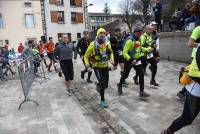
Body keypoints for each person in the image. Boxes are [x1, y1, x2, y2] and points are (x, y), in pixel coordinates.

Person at [161, 26, 200, 134]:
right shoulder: (198, 29)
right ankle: (167, 131)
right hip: (196, 85)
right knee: (187, 118)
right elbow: (190, 44)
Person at [84, 28, 114, 108]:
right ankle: (102, 100)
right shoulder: (92, 44)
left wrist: (112, 60)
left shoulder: (107, 43)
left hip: (105, 66)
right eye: (100, 33)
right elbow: (86, 57)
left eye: (104, 33)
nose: (102, 34)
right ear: (97, 34)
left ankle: (99, 85)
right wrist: (87, 66)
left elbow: (111, 52)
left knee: (106, 85)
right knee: (102, 83)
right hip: (96, 66)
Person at [117, 26, 150, 97]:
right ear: (134, 33)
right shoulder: (130, 40)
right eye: (138, 33)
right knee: (125, 75)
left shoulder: (138, 40)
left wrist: (147, 49)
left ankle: (141, 92)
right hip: (129, 60)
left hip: (137, 60)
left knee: (141, 73)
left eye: (141, 33)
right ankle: (119, 84)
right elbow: (124, 52)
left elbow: (139, 48)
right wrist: (131, 60)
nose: (140, 34)